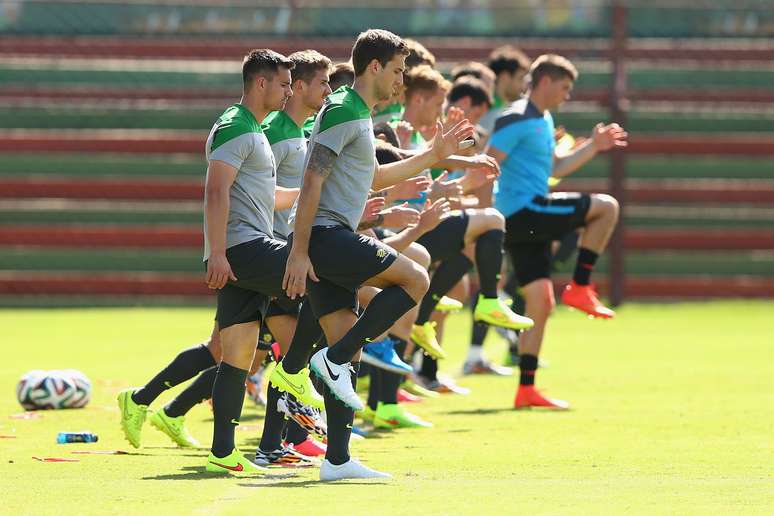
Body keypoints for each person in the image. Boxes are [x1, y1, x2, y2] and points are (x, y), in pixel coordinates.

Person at [277, 29, 474, 481]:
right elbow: (311, 180)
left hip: (328, 237)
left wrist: (432, 155)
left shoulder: (356, 113)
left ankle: (338, 461)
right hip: (326, 238)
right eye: (399, 70)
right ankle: (332, 361)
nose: (402, 80)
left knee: (346, 343)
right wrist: (300, 251)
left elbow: (372, 178)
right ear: (375, 68)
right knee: (415, 279)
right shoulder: (346, 110)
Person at [486, 54, 627, 409]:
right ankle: (580, 286)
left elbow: (556, 167)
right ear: (545, 81)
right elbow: (486, 166)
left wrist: (593, 146)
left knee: (541, 301)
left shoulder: (543, 119)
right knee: (606, 207)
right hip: (522, 212)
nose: (567, 95)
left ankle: (526, 389)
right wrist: (485, 220)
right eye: (564, 87)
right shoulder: (515, 117)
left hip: (526, 217)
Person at [200, 48, 297, 474]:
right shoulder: (237, 126)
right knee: (323, 283)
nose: (288, 91)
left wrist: (316, 195)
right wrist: (217, 253)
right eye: (283, 83)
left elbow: (269, 199)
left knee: (236, 355)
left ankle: (222, 451)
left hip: (243, 248)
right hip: (245, 248)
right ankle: (308, 382)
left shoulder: (253, 129)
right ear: (261, 83)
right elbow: (216, 191)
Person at [479, 45, 531, 133]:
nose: (523, 86)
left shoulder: (505, 109)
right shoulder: (483, 111)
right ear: (505, 77)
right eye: (520, 78)